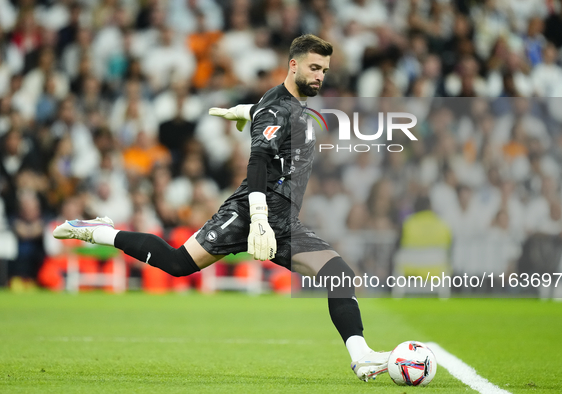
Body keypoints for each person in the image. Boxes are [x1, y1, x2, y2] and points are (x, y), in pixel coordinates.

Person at [53, 34, 388, 381]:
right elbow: (258, 159)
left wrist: (243, 112)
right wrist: (258, 218)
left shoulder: (283, 105)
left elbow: (266, 113)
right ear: (293, 64)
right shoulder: (276, 106)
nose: (320, 76)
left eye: (325, 70)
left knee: (339, 274)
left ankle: (361, 357)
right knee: (178, 264)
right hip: (249, 213)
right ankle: (100, 231)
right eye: (314, 67)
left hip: (284, 220)